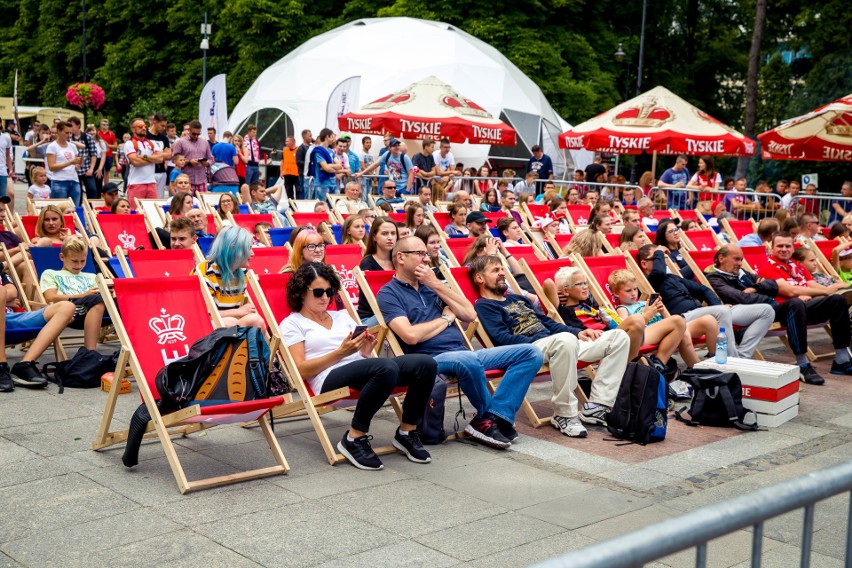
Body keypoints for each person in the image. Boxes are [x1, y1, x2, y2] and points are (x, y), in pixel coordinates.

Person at [377, 236, 542, 448]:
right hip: (430, 359)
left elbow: (469, 314)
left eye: (426, 254)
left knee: (531, 353)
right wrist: (446, 319)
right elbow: (410, 335)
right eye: (420, 254)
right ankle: (486, 418)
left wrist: (435, 283)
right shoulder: (389, 293)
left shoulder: (432, 286)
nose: (426, 260)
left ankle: (494, 417)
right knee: (466, 357)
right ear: (400, 257)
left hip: (464, 354)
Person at [281, 262, 435, 469]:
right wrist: (341, 353)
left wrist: (364, 350)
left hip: (360, 369)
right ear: (301, 292)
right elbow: (300, 370)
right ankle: (354, 437)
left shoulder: (341, 317)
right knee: (385, 368)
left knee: (425, 363)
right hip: (327, 378)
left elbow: (360, 357)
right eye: (318, 292)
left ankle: (407, 432)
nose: (325, 297)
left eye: (329, 291)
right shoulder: (293, 323)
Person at [472, 256, 629, 438]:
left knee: (618, 337)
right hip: (530, 349)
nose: (502, 273)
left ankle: (598, 406)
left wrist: (578, 332)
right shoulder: (485, 306)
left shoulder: (518, 298)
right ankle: (564, 414)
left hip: (558, 342)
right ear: (479, 278)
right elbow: (501, 338)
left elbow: (547, 322)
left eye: (501, 269)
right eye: (495, 270)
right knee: (564, 340)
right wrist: (540, 341)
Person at [637, 244, 775, 359]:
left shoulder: (673, 278)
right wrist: (660, 251)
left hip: (708, 312)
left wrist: (717, 307)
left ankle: (742, 357)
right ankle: (732, 361)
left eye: (664, 258)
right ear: (644, 263)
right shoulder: (651, 279)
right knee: (722, 311)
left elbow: (704, 290)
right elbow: (659, 272)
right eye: (658, 258)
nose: (663, 261)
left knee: (767, 311)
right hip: (683, 318)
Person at [752, 233, 852, 381]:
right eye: (780, 246)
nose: (784, 249)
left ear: (793, 249)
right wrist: (824, 291)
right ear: (772, 248)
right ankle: (803, 364)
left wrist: (833, 288)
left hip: (801, 307)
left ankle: (842, 360)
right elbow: (790, 291)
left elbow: (813, 286)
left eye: (788, 246)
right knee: (796, 302)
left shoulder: (797, 267)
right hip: (778, 310)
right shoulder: (767, 267)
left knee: (837, 300)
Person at [608, 269, 704, 369]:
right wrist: (647, 313)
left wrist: (662, 311)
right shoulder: (622, 309)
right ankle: (660, 365)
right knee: (678, 321)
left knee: (683, 331)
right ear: (616, 293)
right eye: (628, 290)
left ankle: (696, 369)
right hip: (641, 336)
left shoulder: (643, 303)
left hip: (657, 333)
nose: (633, 293)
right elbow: (628, 330)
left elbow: (668, 319)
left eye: (635, 289)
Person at [0, 285, 76, 392]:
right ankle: (1, 366)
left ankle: (24, 365)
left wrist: (4, 299)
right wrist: (4, 300)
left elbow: (12, 292)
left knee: (67, 307)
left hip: (12, 316)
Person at [39, 237, 106, 350]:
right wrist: (84, 295)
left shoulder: (92, 276)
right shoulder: (50, 273)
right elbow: (51, 297)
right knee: (96, 299)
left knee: (125, 300)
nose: (79, 265)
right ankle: (90, 351)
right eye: (74, 261)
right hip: (72, 309)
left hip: (96, 307)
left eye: (83, 261)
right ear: (62, 257)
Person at [192, 226, 263, 328]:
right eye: (249, 248)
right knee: (230, 322)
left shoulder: (242, 272)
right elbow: (204, 314)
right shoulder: (206, 272)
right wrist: (237, 312)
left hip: (229, 325)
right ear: (233, 249)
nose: (253, 253)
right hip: (201, 325)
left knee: (256, 320)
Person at [356, 217, 398, 326]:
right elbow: (376, 302)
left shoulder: (400, 261)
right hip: (372, 318)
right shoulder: (367, 263)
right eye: (384, 234)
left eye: (393, 233)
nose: (390, 238)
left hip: (395, 314)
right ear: (374, 236)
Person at [124, 117, 166, 204]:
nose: (144, 128)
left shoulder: (151, 143)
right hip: (136, 184)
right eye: (140, 126)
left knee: (153, 212)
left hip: (151, 183)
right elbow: (135, 162)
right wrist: (153, 159)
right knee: (135, 213)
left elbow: (160, 159)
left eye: (144, 126)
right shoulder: (129, 143)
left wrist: (144, 156)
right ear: (133, 129)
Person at [170, 120, 214, 194]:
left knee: (202, 204)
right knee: (185, 203)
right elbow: (174, 159)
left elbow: (211, 159)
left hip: (201, 180)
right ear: (189, 130)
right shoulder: (181, 142)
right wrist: (189, 162)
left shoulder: (204, 142)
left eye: (198, 134)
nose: (196, 136)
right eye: (194, 134)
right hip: (186, 181)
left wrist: (206, 163)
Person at [45, 121, 82, 205]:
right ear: (59, 131)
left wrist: (78, 164)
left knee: (74, 208)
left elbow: (75, 165)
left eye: (71, 133)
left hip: (74, 180)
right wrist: (70, 162)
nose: (69, 135)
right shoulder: (52, 146)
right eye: (66, 133)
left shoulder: (72, 146)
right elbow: (51, 167)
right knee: (59, 208)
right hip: (59, 181)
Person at [146, 113, 172, 198]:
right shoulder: (145, 135)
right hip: (147, 171)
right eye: (162, 126)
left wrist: (155, 155)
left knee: (159, 198)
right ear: (155, 123)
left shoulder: (164, 138)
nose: (164, 128)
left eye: (165, 126)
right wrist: (160, 155)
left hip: (161, 172)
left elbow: (169, 155)